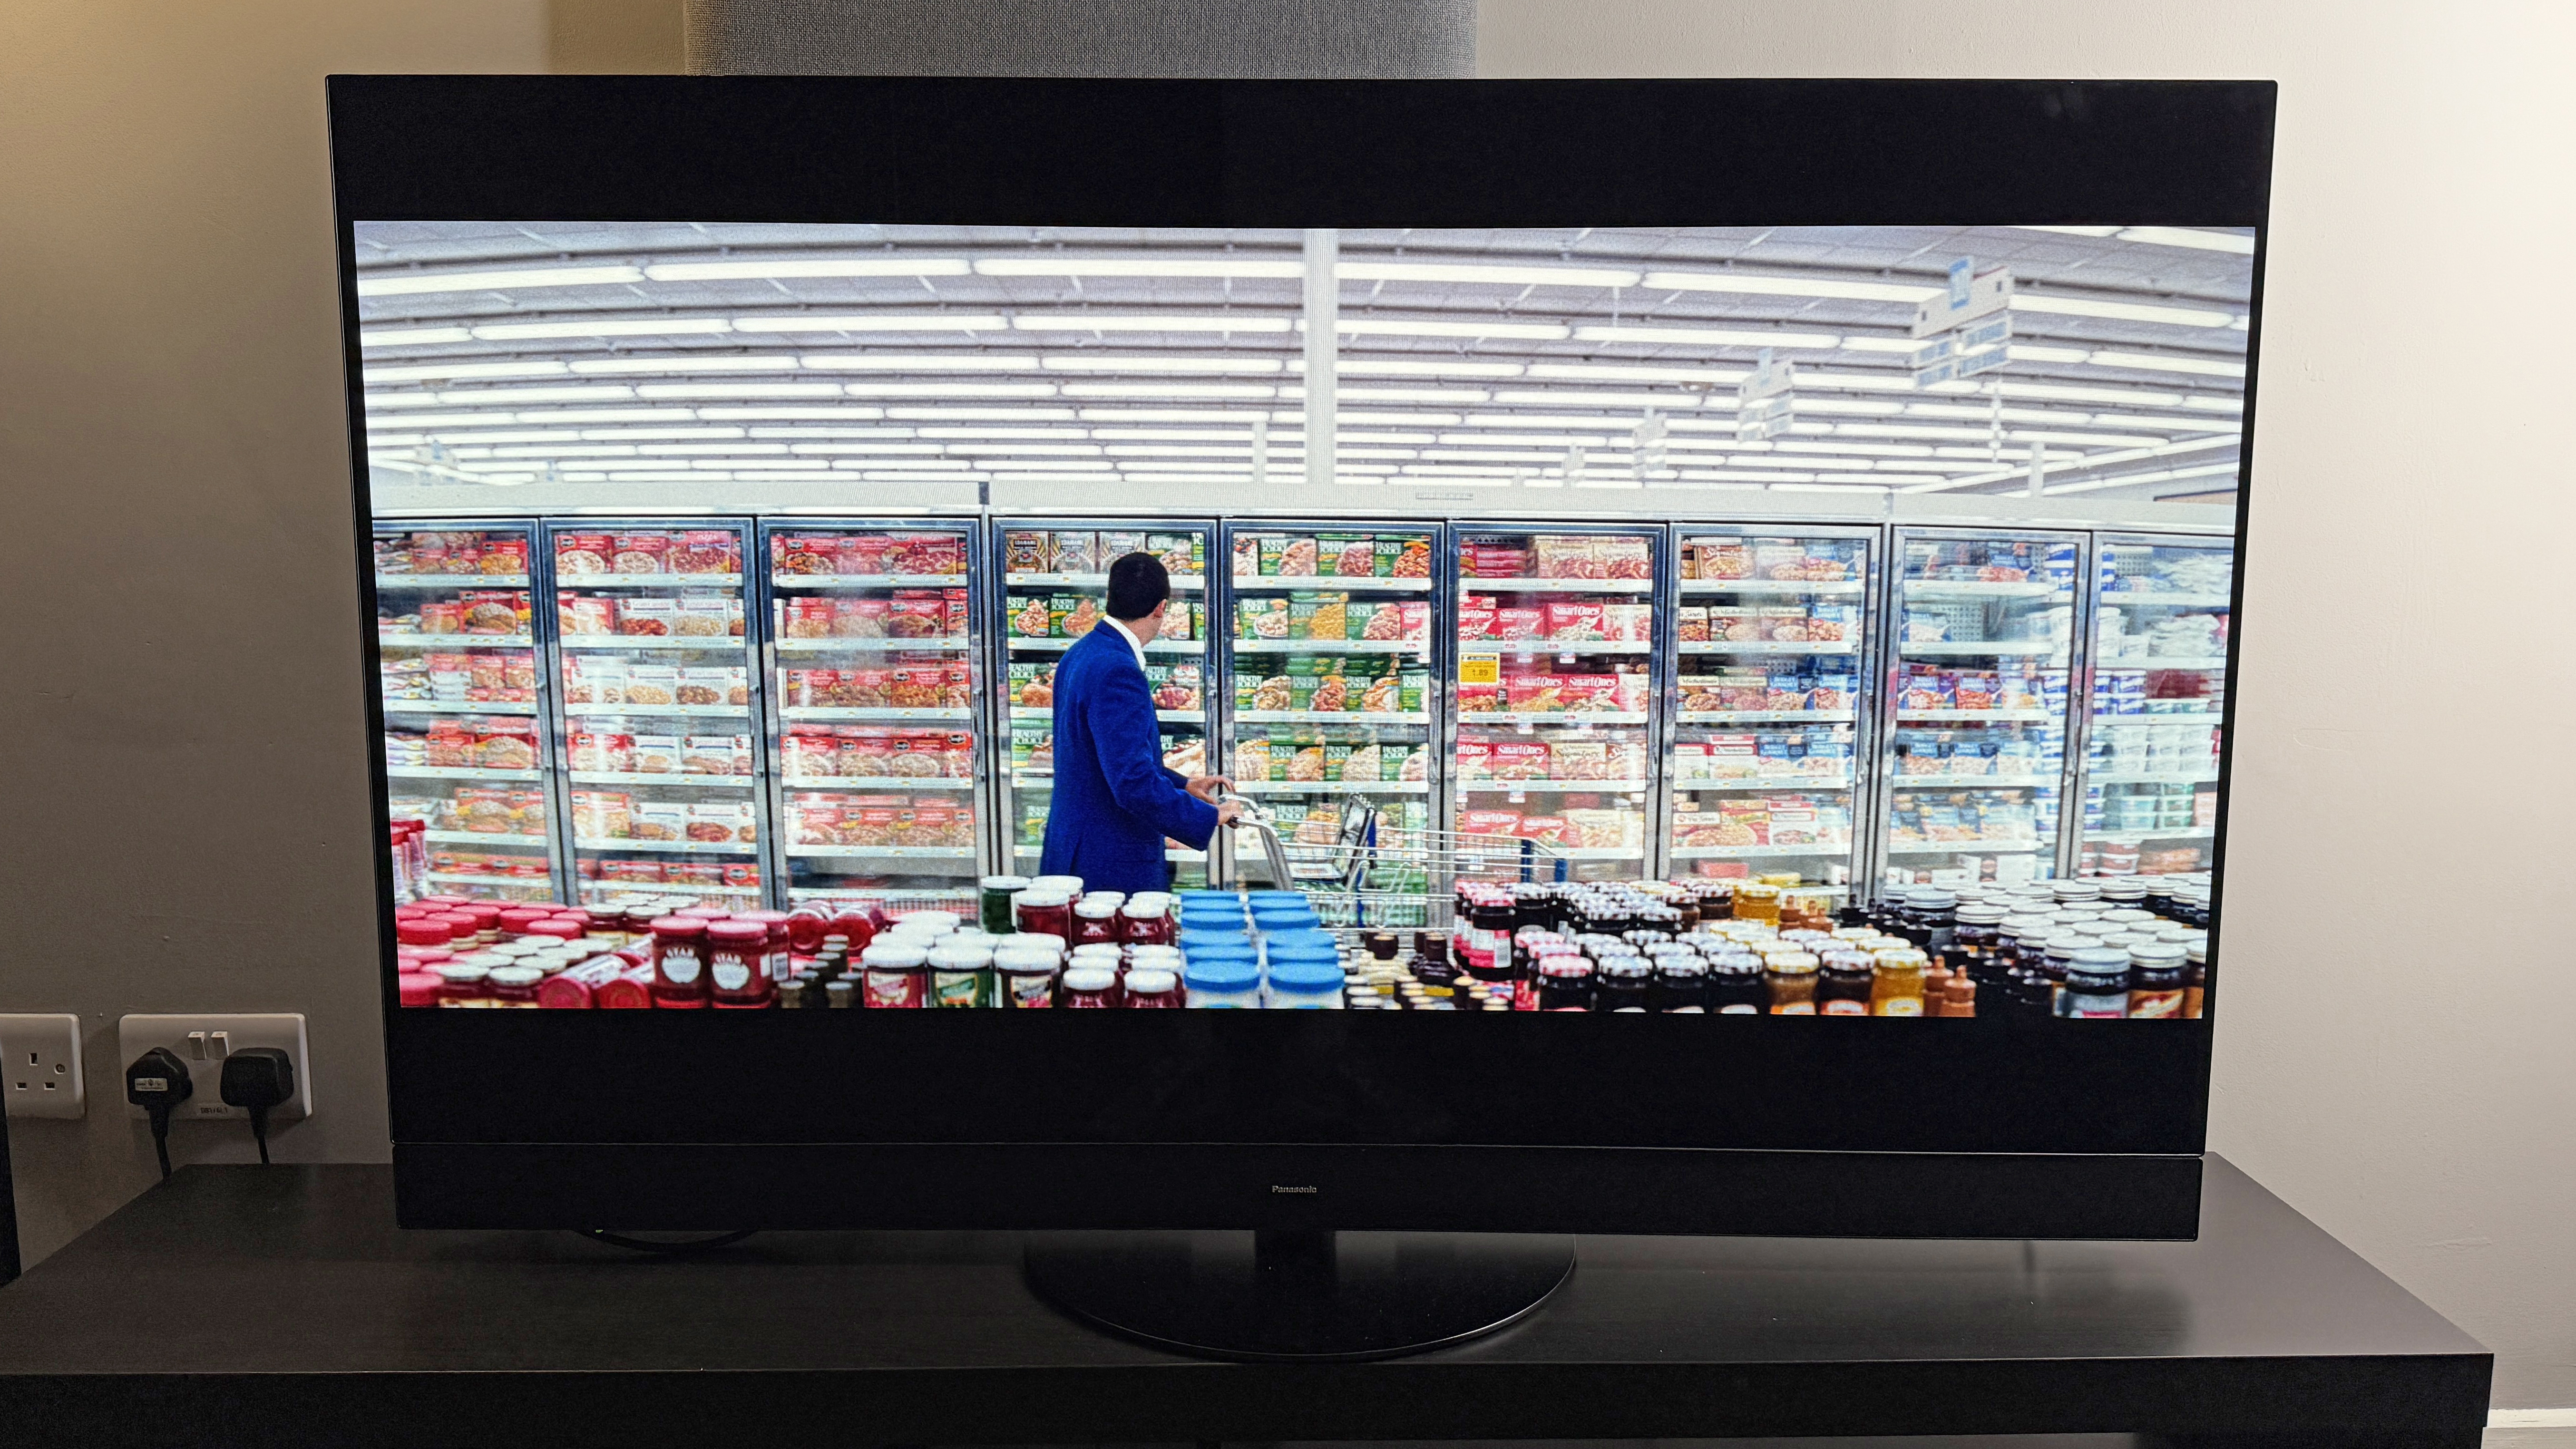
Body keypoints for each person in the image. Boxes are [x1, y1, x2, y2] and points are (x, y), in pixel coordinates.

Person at [1038, 552, 1240, 894]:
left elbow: (1104, 759)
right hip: (1108, 866)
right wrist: (1208, 815)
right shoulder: (1118, 670)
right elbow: (1131, 782)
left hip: (1073, 850)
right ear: (1162, 607)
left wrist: (1182, 785)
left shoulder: (1080, 653)